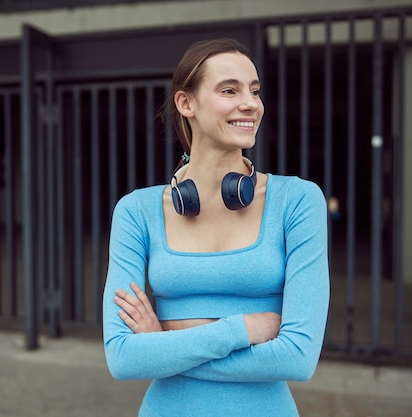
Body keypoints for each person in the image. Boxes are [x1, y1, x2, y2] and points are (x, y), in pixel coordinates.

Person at [102, 38, 329, 417]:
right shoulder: (136, 211)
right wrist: (240, 330)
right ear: (185, 103)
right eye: (229, 90)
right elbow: (123, 359)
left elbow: (297, 358)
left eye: (254, 91)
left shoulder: (298, 201)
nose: (250, 104)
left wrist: (166, 343)